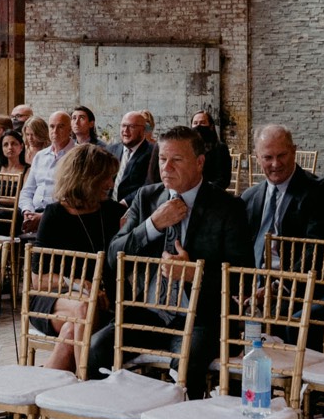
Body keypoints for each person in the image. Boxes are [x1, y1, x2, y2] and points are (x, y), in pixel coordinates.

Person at [88, 125, 251, 397]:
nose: (166, 167)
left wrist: (193, 275)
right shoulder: (147, 198)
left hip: (200, 318)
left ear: (200, 163)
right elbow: (114, 256)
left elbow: (242, 276)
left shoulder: (228, 207)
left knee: (186, 368)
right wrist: (152, 224)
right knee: (95, 349)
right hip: (148, 312)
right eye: (163, 159)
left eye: (177, 159)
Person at [30, 145, 123, 372]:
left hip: (103, 302)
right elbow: (38, 280)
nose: (111, 184)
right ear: (87, 178)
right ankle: (85, 380)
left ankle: (52, 383)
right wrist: (79, 284)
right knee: (84, 307)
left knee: (72, 330)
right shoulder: (55, 215)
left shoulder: (114, 213)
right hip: (54, 299)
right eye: (105, 178)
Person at [242, 125, 324, 266]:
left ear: (294, 151)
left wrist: (284, 280)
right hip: (250, 277)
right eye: (268, 157)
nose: (275, 164)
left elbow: (318, 251)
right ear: (257, 157)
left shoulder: (320, 191)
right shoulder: (248, 197)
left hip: (296, 277)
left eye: (281, 155)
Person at [19, 111, 76, 233]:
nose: (55, 131)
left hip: (60, 215)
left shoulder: (78, 155)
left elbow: (75, 196)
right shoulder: (40, 156)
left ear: (70, 129)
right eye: (52, 126)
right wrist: (27, 211)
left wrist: (43, 216)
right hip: (33, 211)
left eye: (60, 126)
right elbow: (27, 191)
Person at [107, 110, 157, 203]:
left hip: (134, 207)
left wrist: (126, 202)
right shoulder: (111, 150)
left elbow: (150, 185)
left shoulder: (153, 152)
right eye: (123, 126)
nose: (125, 131)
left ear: (143, 130)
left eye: (132, 127)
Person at [190, 110, 233, 192]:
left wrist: (202, 191)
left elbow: (223, 179)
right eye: (195, 123)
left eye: (202, 123)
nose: (198, 126)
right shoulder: (187, 149)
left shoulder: (220, 148)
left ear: (211, 126)